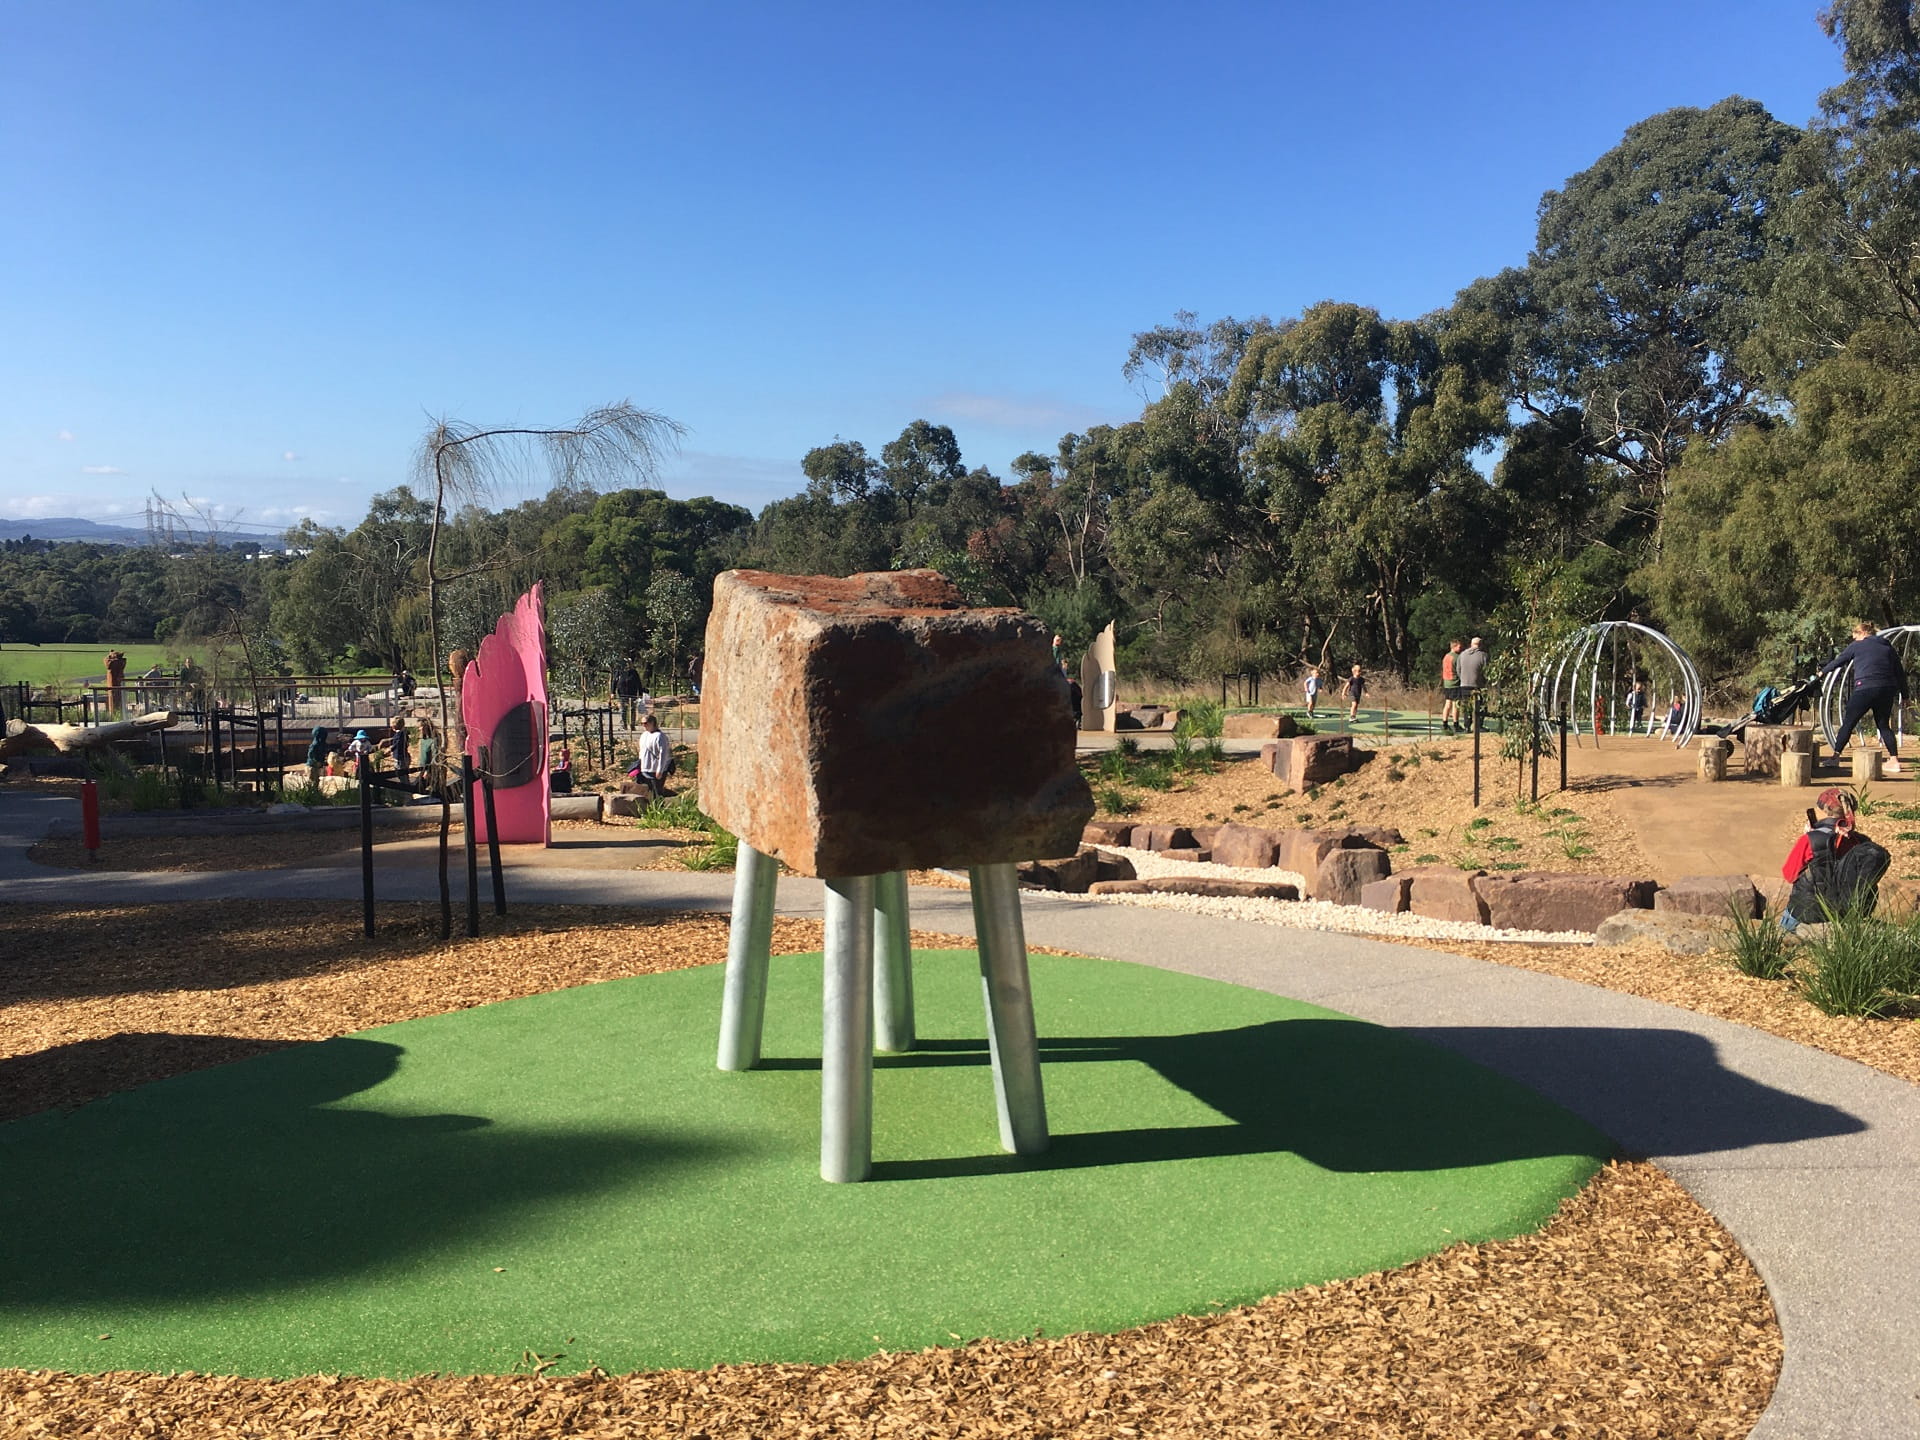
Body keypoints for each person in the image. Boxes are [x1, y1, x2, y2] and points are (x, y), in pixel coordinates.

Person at [1820, 620, 1907, 775]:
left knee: (1849, 722)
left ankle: (1835, 757)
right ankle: (1894, 760)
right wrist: (1905, 695)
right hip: (1887, 689)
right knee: (1883, 724)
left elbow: (1839, 661)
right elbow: (1900, 673)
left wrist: (1821, 673)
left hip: (1865, 687)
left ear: (1862, 633)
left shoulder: (1857, 645)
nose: (1854, 640)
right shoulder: (1888, 647)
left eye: (1855, 636)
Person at [1780, 788, 1872, 929]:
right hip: (1844, 912)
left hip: (1807, 913)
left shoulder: (1810, 840)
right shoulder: (1860, 841)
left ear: (1825, 810)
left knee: (1787, 923)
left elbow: (1789, 874)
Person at [632, 714, 671, 800]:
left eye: (645, 723)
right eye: (641, 723)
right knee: (647, 793)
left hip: (655, 770)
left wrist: (660, 770)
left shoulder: (660, 736)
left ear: (652, 723)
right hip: (644, 769)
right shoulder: (644, 735)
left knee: (657, 793)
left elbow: (663, 754)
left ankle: (659, 809)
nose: (643, 725)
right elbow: (641, 751)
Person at [1455, 636, 1488, 727]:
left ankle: (1467, 725)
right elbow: (1486, 671)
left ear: (1471, 644)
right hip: (1478, 685)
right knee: (1480, 705)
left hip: (1464, 684)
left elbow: (1458, 669)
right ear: (1480, 645)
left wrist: (1463, 678)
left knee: (1466, 706)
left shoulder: (1462, 655)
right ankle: (1478, 726)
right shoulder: (1483, 655)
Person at [1439, 640, 1463, 733]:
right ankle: (1455, 724)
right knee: (1456, 704)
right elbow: (1459, 670)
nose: (1461, 649)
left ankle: (1444, 723)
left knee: (1447, 704)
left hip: (1447, 682)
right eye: (1459, 647)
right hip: (1455, 683)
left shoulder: (1446, 656)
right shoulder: (1457, 657)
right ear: (1454, 647)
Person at [613, 662, 642, 728]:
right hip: (622, 694)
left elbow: (639, 682)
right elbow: (614, 681)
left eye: (628, 664)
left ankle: (632, 725)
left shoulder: (634, 672)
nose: (627, 665)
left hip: (632, 693)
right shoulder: (619, 672)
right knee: (623, 709)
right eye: (625, 664)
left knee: (632, 709)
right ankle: (624, 724)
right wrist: (613, 692)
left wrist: (640, 693)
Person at [385, 715, 411, 786]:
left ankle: (406, 788)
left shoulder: (399, 734)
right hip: (404, 755)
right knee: (404, 774)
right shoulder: (404, 733)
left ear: (394, 726)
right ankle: (406, 786)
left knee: (401, 773)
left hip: (400, 758)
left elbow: (398, 743)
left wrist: (391, 749)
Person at [304, 725, 329, 790]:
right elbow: (310, 754)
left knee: (316, 781)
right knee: (313, 782)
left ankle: (316, 793)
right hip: (312, 766)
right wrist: (316, 761)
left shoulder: (322, 744)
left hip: (317, 766)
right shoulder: (314, 745)